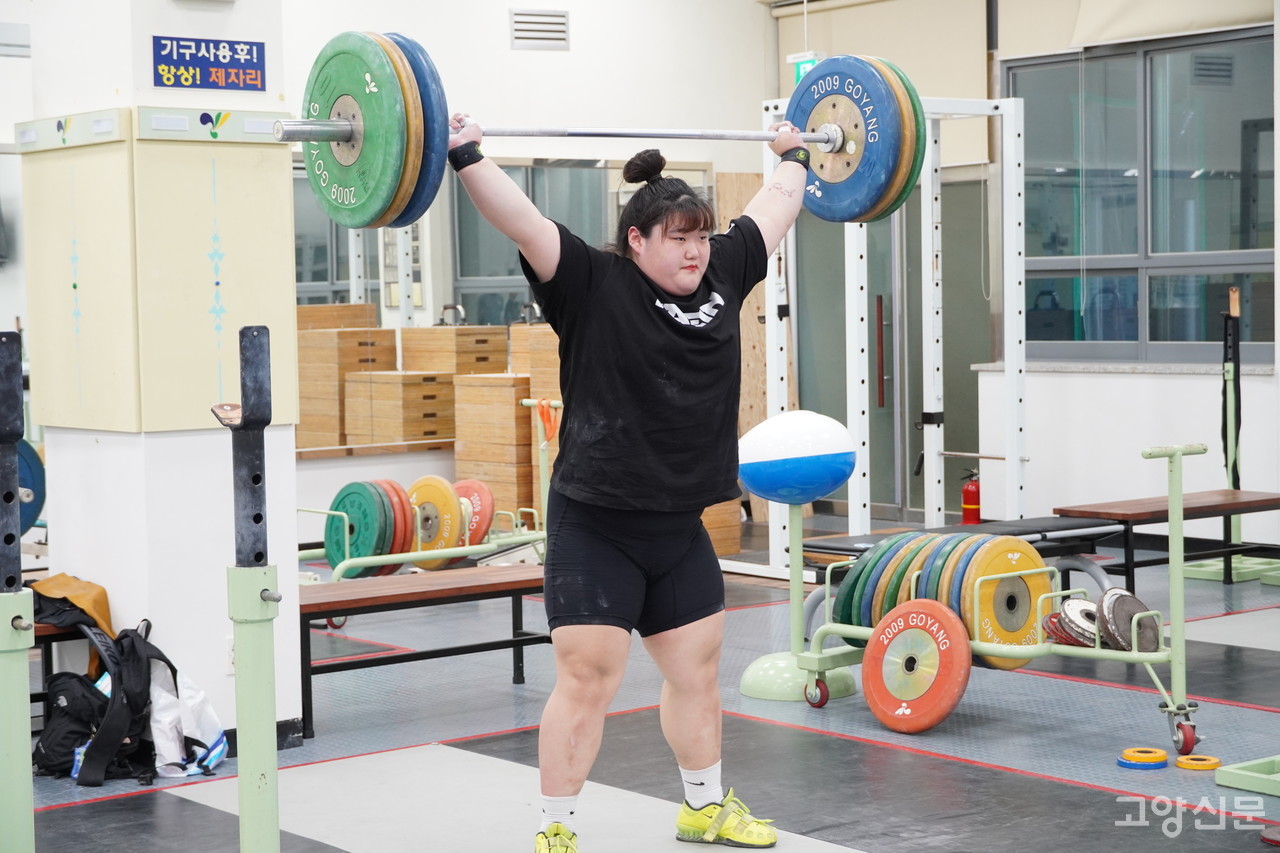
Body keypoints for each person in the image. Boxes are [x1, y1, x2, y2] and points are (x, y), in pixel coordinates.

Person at [447, 112, 809, 853]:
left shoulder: (725, 270)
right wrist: (464, 152)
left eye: (701, 235)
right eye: (679, 237)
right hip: (597, 520)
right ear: (637, 240)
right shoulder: (591, 281)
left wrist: (795, 151)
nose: (695, 249)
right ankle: (556, 828)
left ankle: (703, 810)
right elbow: (520, 219)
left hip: (677, 524)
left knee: (697, 673)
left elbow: (777, 205)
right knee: (589, 677)